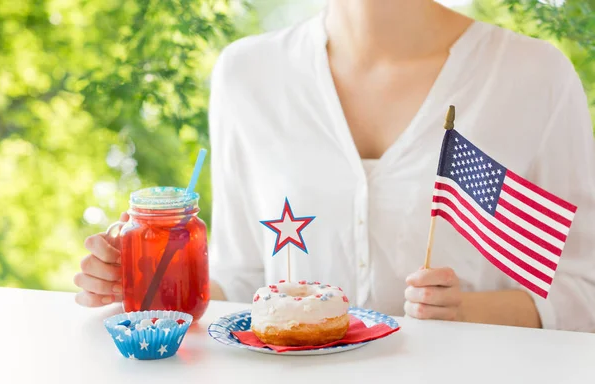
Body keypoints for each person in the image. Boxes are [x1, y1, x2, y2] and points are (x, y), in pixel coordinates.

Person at [74, 0, 595, 332]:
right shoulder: (246, 74)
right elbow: (242, 280)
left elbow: (584, 291)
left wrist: (469, 312)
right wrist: (146, 281)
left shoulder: (533, 76)